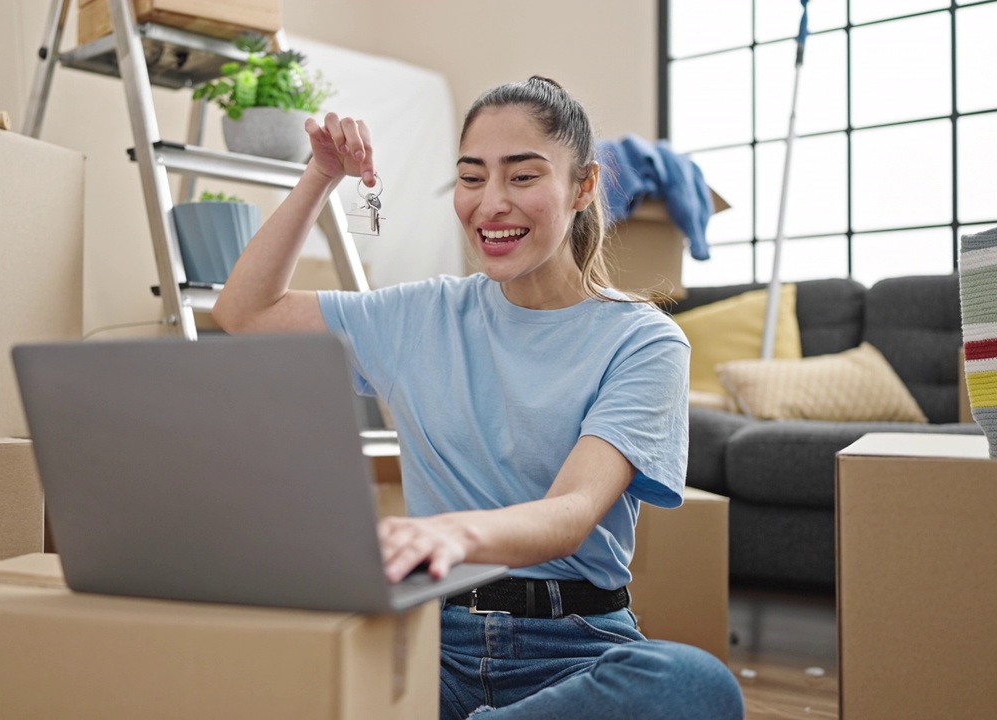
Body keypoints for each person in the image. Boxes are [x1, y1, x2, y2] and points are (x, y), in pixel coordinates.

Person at [212, 76, 744, 720]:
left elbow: (572, 512)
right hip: (431, 643)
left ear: (583, 187)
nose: (491, 203)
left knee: (692, 685)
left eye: (522, 177)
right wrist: (321, 176)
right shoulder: (418, 314)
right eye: (471, 177)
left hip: (575, 647)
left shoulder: (644, 342)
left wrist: (447, 534)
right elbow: (244, 310)